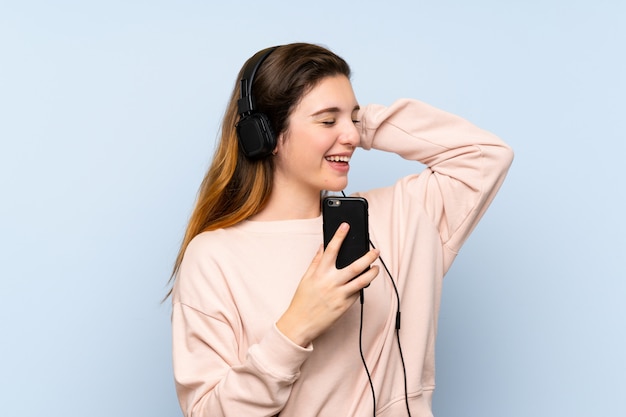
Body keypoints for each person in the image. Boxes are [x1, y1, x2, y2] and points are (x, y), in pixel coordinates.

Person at [168, 42, 513, 417]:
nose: (349, 136)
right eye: (327, 120)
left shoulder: (401, 217)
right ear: (264, 134)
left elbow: (485, 155)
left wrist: (362, 125)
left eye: (353, 117)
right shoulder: (214, 256)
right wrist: (295, 327)